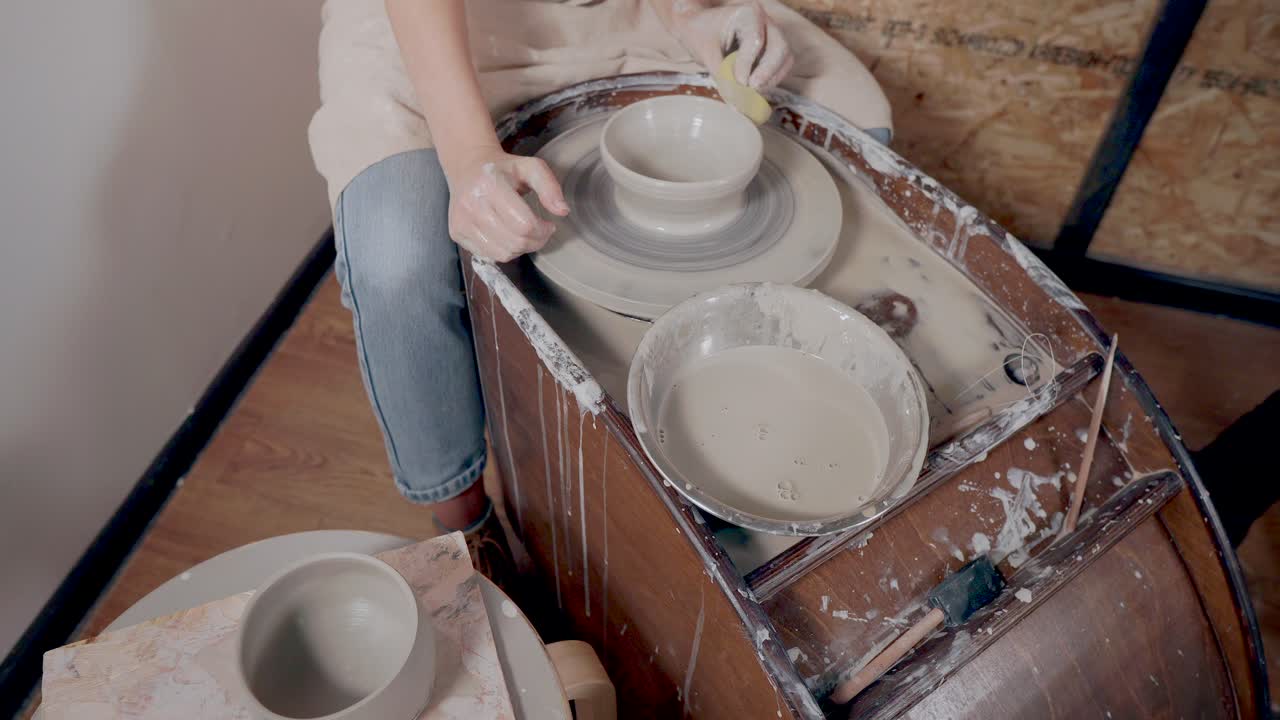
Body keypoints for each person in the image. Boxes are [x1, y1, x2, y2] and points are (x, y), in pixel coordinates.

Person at [308, 0, 892, 589]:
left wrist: (692, 15)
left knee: (860, 124)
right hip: (435, 31)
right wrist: (467, 156)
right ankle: (464, 525)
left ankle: (750, 425)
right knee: (399, 262)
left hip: (610, 13)